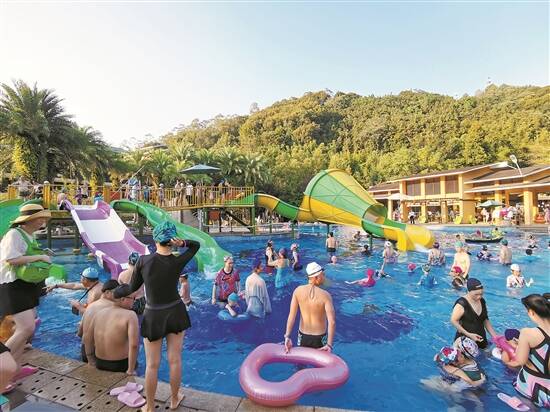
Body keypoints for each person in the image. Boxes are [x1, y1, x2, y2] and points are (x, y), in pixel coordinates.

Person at [125, 220, 200, 412]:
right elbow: (196, 245)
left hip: (154, 315)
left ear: (155, 239)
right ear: (172, 240)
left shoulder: (143, 261)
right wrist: (182, 243)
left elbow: (131, 288)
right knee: (175, 360)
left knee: (152, 365)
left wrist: (115, 292)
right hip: (176, 311)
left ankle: (150, 406)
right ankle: (174, 399)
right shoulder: (177, 260)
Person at [0, 204, 52, 383]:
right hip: (12, 286)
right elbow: (11, 259)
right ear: (28, 220)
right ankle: (3, 368)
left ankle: (15, 368)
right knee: (26, 328)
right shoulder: (14, 234)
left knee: (26, 329)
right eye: (40, 218)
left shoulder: (29, 235)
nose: (43, 221)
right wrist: (39, 257)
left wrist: (41, 255)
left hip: (25, 285)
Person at [502, 293, 550, 408]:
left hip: (532, 386)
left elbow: (521, 361)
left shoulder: (528, 333)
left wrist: (518, 347)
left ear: (531, 312)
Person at [85, 284, 139, 374]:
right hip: (120, 364)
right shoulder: (130, 315)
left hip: (100, 362)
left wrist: (91, 360)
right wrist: (131, 370)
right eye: (133, 298)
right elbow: (134, 345)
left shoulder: (100, 313)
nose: (134, 301)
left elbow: (87, 338)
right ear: (123, 299)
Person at [284, 262, 335, 352]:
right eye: (322, 275)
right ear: (316, 277)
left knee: (302, 360)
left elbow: (291, 316)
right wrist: (329, 345)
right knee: (319, 361)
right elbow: (332, 322)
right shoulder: (326, 295)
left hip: (303, 336)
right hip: (320, 337)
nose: (324, 277)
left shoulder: (297, 291)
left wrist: (287, 336)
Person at [78, 279, 119, 362]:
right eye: (117, 293)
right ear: (108, 292)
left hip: (85, 351)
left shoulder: (89, 307)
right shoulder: (114, 308)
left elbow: (79, 333)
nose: (118, 296)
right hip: (100, 353)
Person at [450, 278, 497, 349]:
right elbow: (453, 321)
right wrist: (469, 334)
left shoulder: (482, 301)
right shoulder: (462, 303)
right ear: (468, 291)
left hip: (481, 338)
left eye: (481, 294)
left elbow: (485, 320)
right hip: (465, 342)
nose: (479, 297)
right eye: (476, 294)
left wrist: (495, 337)